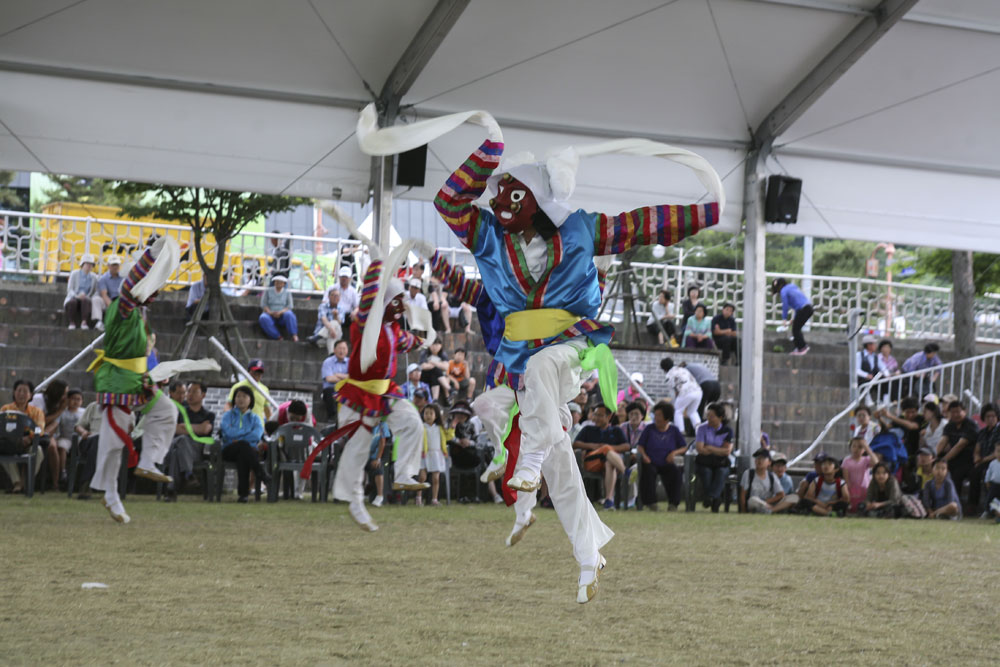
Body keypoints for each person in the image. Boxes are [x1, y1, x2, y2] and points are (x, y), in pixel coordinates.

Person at [430, 116, 720, 604]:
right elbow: (449, 201)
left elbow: (644, 224)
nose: (499, 203)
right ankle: (586, 550)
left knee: (545, 378)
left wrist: (707, 212)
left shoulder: (583, 229)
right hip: (516, 355)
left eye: (512, 195)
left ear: (540, 200)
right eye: (498, 195)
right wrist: (491, 148)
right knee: (508, 419)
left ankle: (529, 463)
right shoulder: (487, 236)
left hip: (573, 344)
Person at [307, 252, 429, 532]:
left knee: (412, 423)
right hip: (359, 393)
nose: (401, 307)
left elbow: (407, 340)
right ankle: (356, 503)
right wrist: (379, 265)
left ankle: (405, 474)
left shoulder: (393, 330)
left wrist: (423, 340)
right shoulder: (366, 320)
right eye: (396, 301)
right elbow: (372, 288)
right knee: (359, 448)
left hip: (385, 392)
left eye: (402, 303)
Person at [87, 236, 181, 523]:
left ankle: (150, 460)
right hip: (118, 382)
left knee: (167, 411)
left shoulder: (138, 313)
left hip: (136, 381)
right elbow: (133, 285)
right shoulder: (123, 307)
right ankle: (110, 494)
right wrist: (153, 253)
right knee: (114, 442)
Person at [163, 380, 215, 501]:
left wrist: (185, 427)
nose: (190, 395)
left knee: (179, 446)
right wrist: (198, 427)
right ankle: (188, 474)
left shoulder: (209, 414)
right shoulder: (178, 410)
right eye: (189, 391)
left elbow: (206, 430)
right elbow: (175, 429)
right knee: (181, 441)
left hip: (197, 451)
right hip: (174, 446)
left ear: (203, 395)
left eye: (194, 392)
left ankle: (171, 490)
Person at [573, 404, 628, 511]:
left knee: (609, 462)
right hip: (592, 462)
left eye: (600, 415)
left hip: (610, 463)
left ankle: (608, 500)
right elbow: (576, 444)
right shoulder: (588, 429)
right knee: (606, 448)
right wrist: (594, 446)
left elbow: (626, 446)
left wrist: (609, 448)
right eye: (595, 415)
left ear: (609, 417)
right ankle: (626, 471)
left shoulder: (616, 430)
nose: (596, 418)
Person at [219, 386, 268, 503]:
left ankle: (243, 495)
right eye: (238, 396)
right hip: (229, 450)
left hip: (248, 450)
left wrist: (239, 438)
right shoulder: (227, 416)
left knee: (243, 453)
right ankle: (261, 473)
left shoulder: (255, 418)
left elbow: (256, 436)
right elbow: (227, 433)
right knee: (244, 447)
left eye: (244, 396)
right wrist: (245, 435)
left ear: (250, 399)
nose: (241, 399)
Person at [635, 401, 686, 510]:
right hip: (650, 462)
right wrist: (644, 456)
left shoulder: (674, 430)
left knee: (676, 473)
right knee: (648, 472)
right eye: (656, 415)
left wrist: (674, 453)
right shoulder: (649, 429)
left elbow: (684, 447)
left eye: (659, 415)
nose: (656, 418)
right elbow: (640, 446)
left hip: (667, 463)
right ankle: (651, 503)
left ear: (667, 418)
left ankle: (673, 503)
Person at [0, 379, 45, 494]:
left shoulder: (37, 412)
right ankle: (17, 483)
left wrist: (29, 438)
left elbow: (40, 429)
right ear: (14, 392)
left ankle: (26, 482)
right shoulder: (5, 409)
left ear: (30, 395)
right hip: (10, 443)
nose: (21, 394)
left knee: (38, 451)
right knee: (4, 450)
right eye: (19, 390)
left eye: (25, 391)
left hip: (28, 443)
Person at [939, 400, 978, 511]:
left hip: (969, 460)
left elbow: (960, 446)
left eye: (958, 411)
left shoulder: (971, 425)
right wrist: (933, 457)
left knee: (958, 474)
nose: (955, 414)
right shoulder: (949, 426)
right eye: (952, 412)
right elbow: (942, 442)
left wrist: (943, 460)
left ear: (964, 411)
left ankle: (969, 507)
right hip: (954, 459)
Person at [693, 404, 733, 512]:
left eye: (712, 416)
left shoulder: (727, 431)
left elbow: (726, 451)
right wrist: (718, 450)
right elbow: (700, 449)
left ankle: (710, 497)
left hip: (721, 463)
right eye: (708, 416)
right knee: (706, 472)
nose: (709, 419)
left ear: (720, 417)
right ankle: (715, 498)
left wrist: (710, 448)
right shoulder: (702, 429)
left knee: (721, 472)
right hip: (704, 462)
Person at [31, 380, 68, 491]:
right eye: (64, 394)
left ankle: (55, 483)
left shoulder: (60, 404)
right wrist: (60, 411)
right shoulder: (39, 399)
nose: (66, 397)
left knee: (52, 446)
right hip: (32, 429)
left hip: (47, 432)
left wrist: (47, 433)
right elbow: (40, 420)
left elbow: (55, 423)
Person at [660, 357, 703, 435]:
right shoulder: (683, 369)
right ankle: (699, 432)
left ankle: (680, 432)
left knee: (678, 411)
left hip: (685, 392)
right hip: (698, 391)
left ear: (664, 369)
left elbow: (674, 392)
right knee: (692, 412)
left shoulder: (669, 375)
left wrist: (675, 402)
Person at [771, 277, 813, 356]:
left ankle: (802, 348)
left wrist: (784, 319)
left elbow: (785, 306)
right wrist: (794, 319)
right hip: (809, 308)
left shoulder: (783, 291)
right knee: (796, 328)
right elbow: (798, 302)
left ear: (779, 286)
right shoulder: (792, 286)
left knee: (795, 329)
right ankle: (800, 347)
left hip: (804, 309)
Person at [971, 403, 999, 516]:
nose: (991, 419)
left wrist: (982, 460)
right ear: (983, 418)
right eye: (988, 416)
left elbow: (998, 452)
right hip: (983, 461)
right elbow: (977, 449)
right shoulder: (982, 432)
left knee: (987, 476)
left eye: (993, 416)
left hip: (996, 462)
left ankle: (990, 508)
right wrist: (976, 458)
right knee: (973, 473)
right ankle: (972, 506)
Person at [54, 388, 85, 488]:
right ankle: (63, 471)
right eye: (73, 399)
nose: (75, 401)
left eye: (78, 399)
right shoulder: (63, 412)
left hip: (80, 438)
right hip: (66, 437)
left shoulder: (84, 412)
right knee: (62, 446)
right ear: (67, 400)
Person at [740, 448, 785, 514]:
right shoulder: (748, 474)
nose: (759, 460)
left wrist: (766, 501)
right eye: (757, 458)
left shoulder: (772, 476)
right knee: (753, 500)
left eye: (763, 458)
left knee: (792, 498)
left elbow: (781, 494)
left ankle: (769, 510)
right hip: (753, 504)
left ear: (769, 462)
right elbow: (743, 495)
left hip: (768, 504)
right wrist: (743, 511)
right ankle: (772, 510)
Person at [841, 436, 879, 513]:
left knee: (863, 507)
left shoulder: (866, 459)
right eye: (854, 446)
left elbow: (876, 462)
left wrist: (867, 447)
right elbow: (846, 478)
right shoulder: (846, 461)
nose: (856, 449)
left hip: (865, 489)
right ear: (850, 448)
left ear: (864, 450)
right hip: (852, 489)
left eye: (860, 447)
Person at [421, 403, 449, 506]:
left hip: (436, 455)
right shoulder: (422, 427)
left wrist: (453, 427)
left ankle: (434, 499)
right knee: (422, 477)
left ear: (436, 415)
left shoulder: (440, 428)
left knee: (436, 478)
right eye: (426, 413)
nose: (428, 415)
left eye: (431, 413)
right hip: (424, 455)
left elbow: (448, 437)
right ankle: (418, 498)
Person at [258, 274, 298, 341]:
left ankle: (294, 335)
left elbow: (290, 306)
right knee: (263, 318)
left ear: (284, 284)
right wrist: (270, 312)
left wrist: (280, 312)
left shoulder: (287, 292)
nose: (278, 284)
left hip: (283, 314)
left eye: (280, 282)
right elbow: (263, 304)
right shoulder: (268, 291)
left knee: (290, 315)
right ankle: (277, 336)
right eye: (276, 282)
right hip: (270, 314)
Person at [64, 253, 97, 329]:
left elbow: (95, 291)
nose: (89, 266)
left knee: (86, 301)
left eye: (91, 264)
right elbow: (70, 289)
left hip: (86, 298)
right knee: (72, 302)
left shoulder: (94, 277)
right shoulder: (74, 274)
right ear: (82, 264)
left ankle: (84, 322)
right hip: (74, 297)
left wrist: (88, 296)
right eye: (87, 264)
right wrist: (77, 296)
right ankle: (71, 322)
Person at [92, 255, 124, 330]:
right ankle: (98, 322)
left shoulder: (124, 277)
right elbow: (104, 295)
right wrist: (113, 306)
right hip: (108, 301)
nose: (115, 267)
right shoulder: (103, 278)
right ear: (109, 266)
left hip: (121, 301)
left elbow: (124, 293)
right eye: (113, 265)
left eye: (117, 265)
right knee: (96, 299)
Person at [320, 341, 349, 422]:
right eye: (339, 348)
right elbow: (329, 379)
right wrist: (346, 378)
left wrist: (338, 375)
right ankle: (331, 418)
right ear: (334, 350)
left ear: (347, 350)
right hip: (331, 389)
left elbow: (353, 378)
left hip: (346, 390)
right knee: (330, 392)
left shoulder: (350, 362)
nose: (342, 351)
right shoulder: (328, 362)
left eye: (344, 348)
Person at [309, 287, 342, 353]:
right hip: (326, 336)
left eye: (337, 296)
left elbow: (340, 322)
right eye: (333, 295)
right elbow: (323, 319)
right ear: (329, 297)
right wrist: (331, 329)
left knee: (335, 322)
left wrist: (335, 316)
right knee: (331, 337)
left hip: (336, 333)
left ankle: (319, 336)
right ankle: (331, 355)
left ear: (340, 298)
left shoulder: (341, 308)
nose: (335, 297)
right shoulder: (323, 306)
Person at [418, 339, 451, 403]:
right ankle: (449, 389)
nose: (434, 347)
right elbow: (423, 367)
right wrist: (439, 364)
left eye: (436, 344)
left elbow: (446, 367)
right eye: (432, 344)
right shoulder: (425, 353)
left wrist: (432, 363)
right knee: (436, 370)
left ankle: (435, 400)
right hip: (424, 376)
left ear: (440, 345)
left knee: (435, 374)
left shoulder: (442, 354)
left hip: (436, 377)